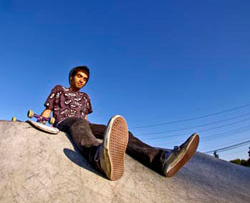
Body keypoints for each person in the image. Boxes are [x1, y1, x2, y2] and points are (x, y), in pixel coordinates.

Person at [41, 65, 199, 181]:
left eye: (85, 79)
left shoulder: (85, 97)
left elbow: (86, 119)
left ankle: (161, 159)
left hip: (82, 123)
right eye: (79, 76)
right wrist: (42, 120)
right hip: (65, 121)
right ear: (71, 77)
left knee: (114, 132)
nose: (82, 80)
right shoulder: (60, 89)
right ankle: (98, 157)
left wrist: (93, 130)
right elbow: (48, 110)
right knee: (79, 124)